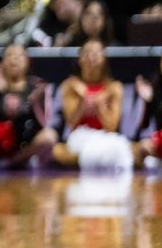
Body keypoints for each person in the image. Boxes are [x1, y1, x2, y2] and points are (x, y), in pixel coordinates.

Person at [0, 44, 57, 166]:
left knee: (49, 137)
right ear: (2, 63)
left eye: (19, 56)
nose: (14, 59)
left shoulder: (38, 86)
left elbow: (46, 123)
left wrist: (34, 101)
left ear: (27, 61)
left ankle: (13, 161)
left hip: (26, 141)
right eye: (9, 55)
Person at [52, 39, 124, 167]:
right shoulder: (70, 85)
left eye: (95, 54)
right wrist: (83, 103)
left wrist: (94, 101)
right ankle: (94, 160)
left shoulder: (114, 87)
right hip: (80, 138)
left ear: (103, 59)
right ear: (79, 59)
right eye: (86, 53)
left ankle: (89, 161)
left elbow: (111, 127)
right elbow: (72, 123)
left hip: (105, 138)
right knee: (56, 151)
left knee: (126, 150)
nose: (90, 58)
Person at [132, 57, 161, 168]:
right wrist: (146, 101)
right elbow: (144, 125)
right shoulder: (154, 87)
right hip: (159, 141)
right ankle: (138, 184)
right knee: (138, 148)